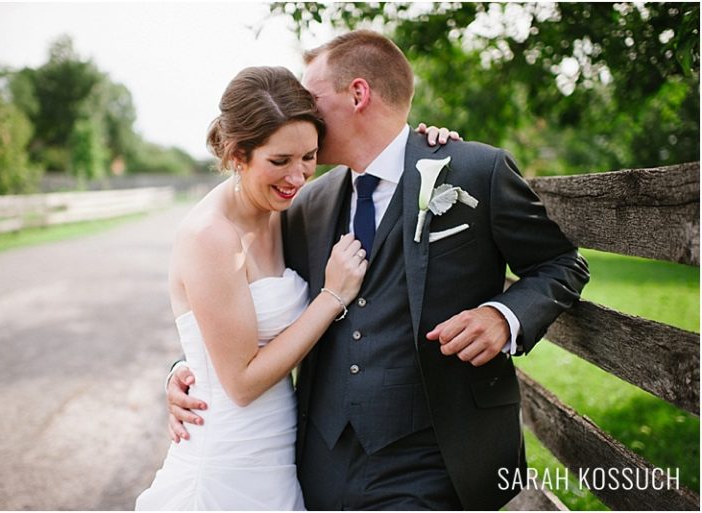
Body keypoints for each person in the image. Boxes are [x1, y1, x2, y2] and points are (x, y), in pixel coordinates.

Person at [167, 30, 590, 510]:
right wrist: (186, 370)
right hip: (320, 460)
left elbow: (562, 263)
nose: (301, 109)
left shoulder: (474, 172)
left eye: (311, 96)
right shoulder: (307, 204)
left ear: (358, 93)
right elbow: (231, 302)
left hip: (439, 454)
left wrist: (504, 316)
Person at [136, 66, 454, 510]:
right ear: (236, 155)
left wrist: (416, 145)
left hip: (280, 454)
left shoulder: (284, 212)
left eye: (308, 156)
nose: (298, 176)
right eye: (279, 161)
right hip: (229, 461)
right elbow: (241, 382)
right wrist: (332, 296)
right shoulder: (211, 236)